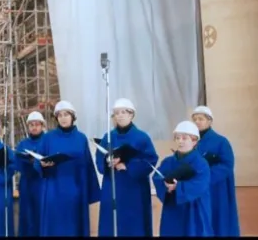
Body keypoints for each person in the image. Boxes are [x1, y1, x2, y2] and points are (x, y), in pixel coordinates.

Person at [31, 100, 100, 237]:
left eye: (66, 114)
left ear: (73, 117)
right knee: (54, 228)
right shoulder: (48, 138)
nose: (63, 118)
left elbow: (88, 166)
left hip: (77, 192)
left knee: (75, 227)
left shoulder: (81, 138)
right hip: (53, 191)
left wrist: (91, 193)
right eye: (60, 115)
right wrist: (42, 165)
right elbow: (37, 160)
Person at [95, 98, 159, 237]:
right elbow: (99, 158)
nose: (120, 115)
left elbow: (150, 160)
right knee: (111, 226)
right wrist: (108, 161)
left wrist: (128, 165)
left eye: (124, 112)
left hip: (134, 190)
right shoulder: (108, 137)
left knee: (133, 226)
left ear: (131, 114)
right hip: (112, 188)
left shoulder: (142, 137)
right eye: (117, 113)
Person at [154, 121, 213, 237]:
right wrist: (165, 186)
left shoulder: (201, 163)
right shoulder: (168, 161)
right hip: (172, 208)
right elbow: (157, 176)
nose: (180, 141)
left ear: (194, 141)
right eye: (177, 138)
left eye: (184, 138)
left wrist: (179, 187)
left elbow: (201, 184)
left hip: (194, 207)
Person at [192, 106, 240, 236]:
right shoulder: (191, 142)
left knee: (218, 220)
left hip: (217, 189)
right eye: (195, 119)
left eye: (200, 119)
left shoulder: (221, 141)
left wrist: (206, 177)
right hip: (197, 188)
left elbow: (227, 164)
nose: (197, 122)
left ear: (209, 121)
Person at [14, 111, 47, 237]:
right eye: (31, 125)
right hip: (27, 183)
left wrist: (39, 162)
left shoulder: (47, 140)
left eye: (37, 124)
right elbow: (17, 162)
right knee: (27, 215)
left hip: (42, 182)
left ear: (42, 125)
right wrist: (28, 161)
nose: (34, 127)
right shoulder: (23, 144)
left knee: (42, 213)